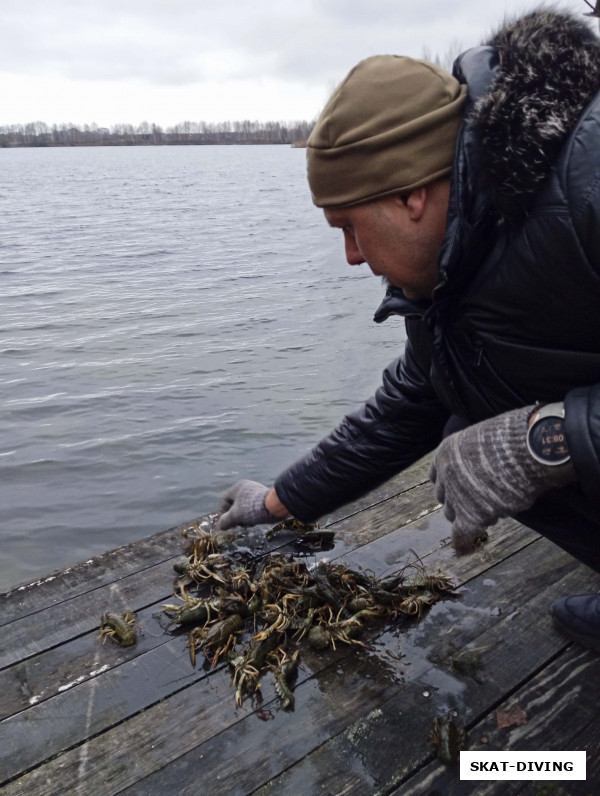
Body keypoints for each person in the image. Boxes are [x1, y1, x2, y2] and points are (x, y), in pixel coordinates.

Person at [218, 9, 600, 652]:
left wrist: (548, 438)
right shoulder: (453, 257)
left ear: (410, 197)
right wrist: (281, 502)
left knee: (510, 439)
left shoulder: (588, 184)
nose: (350, 256)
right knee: (462, 421)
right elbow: (412, 400)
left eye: (348, 225)